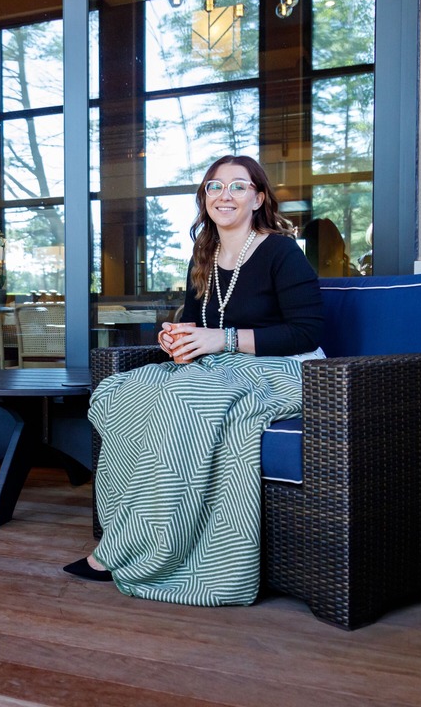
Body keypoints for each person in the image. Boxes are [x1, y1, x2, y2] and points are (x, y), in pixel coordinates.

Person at [63, 155, 325, 607]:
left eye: (238, 186)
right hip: (222, 366)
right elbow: (200, 324)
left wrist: (221, 339)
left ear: (258, 198)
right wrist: (177, 337)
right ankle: (125, 530)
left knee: (182, 397)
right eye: (214, 187)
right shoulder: (204, 255)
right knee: (118, 392)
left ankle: (143, 550)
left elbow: (307, 332)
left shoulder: (281, 252)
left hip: (285, 368)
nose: (225, 195)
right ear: (204, 199)